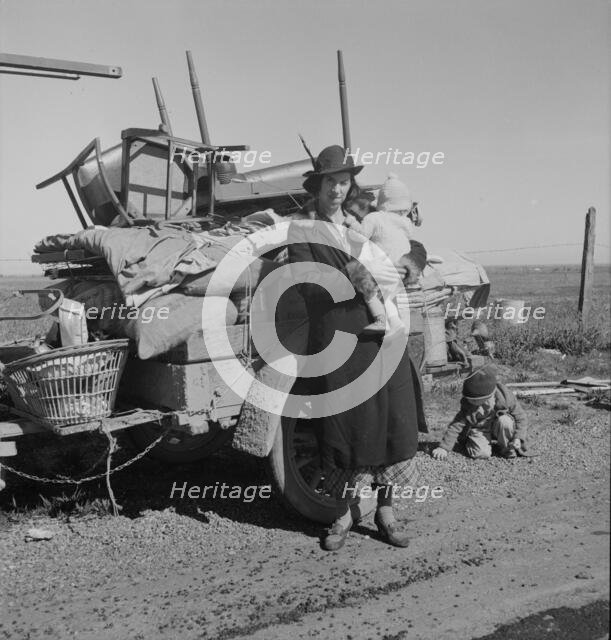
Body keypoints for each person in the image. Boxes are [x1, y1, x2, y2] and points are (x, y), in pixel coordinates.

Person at [288, 145, 428, 550]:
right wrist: (357, 275)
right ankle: (345, 513)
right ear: (317, 184)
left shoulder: (362, 221)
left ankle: (386, 510)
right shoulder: (303, 230)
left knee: (395, 420)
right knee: (347, 428)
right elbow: (306, 282)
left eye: (343, 181)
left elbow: (412, 242)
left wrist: (408, 263)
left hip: (384, 338)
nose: (337, 189)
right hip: (341, 340)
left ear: (351, 185)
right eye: (330, 181)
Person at [431, 365, 528, 461]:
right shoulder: (468, 405)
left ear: (489, 396)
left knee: (505, 421)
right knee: (482, 454)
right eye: (470, 400)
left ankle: (506, 448)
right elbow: (456, 425)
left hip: (497, 425)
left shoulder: (505, 397)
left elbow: (521, 418)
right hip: (479, 429)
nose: (472, 402)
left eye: (475, 401)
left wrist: (518, 438)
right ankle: (472, 441)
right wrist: (444, 448)